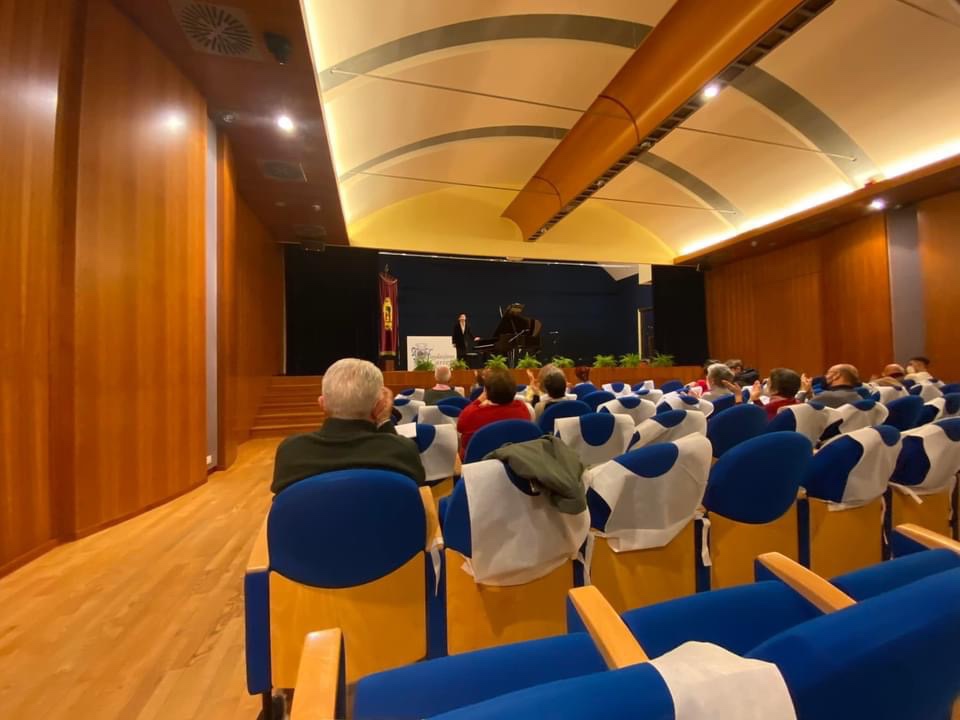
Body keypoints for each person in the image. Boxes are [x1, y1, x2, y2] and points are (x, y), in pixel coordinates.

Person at [271, 358, 426, 493]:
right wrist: (384, 421)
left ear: (322, 403)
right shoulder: (402, 450)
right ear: (379, 406)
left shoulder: (291, 451)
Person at [457, 367, 532, 452]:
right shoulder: (522, 408)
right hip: (514, 457)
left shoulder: (472, 414)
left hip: (479, 459)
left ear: (486, 392)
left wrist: (478, 401)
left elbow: (460, 427)